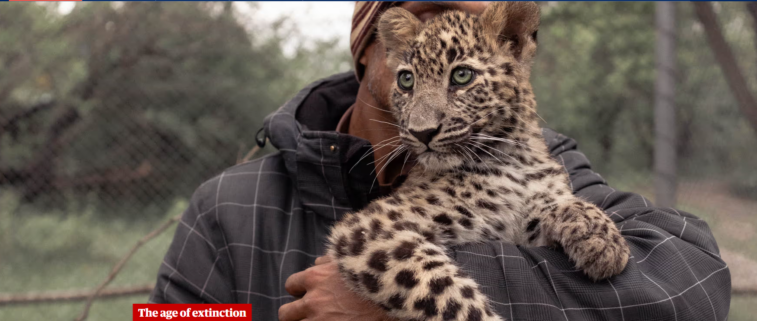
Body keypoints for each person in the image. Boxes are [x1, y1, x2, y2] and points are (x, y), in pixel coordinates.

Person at [150, 2, 731, 320]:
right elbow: (364, 243)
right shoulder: (229, 209)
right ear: (371, 44)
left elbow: (694, 281)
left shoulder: (554, 170)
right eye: (411, 65)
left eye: (460, 74)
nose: (425, 120)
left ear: (513, 52)